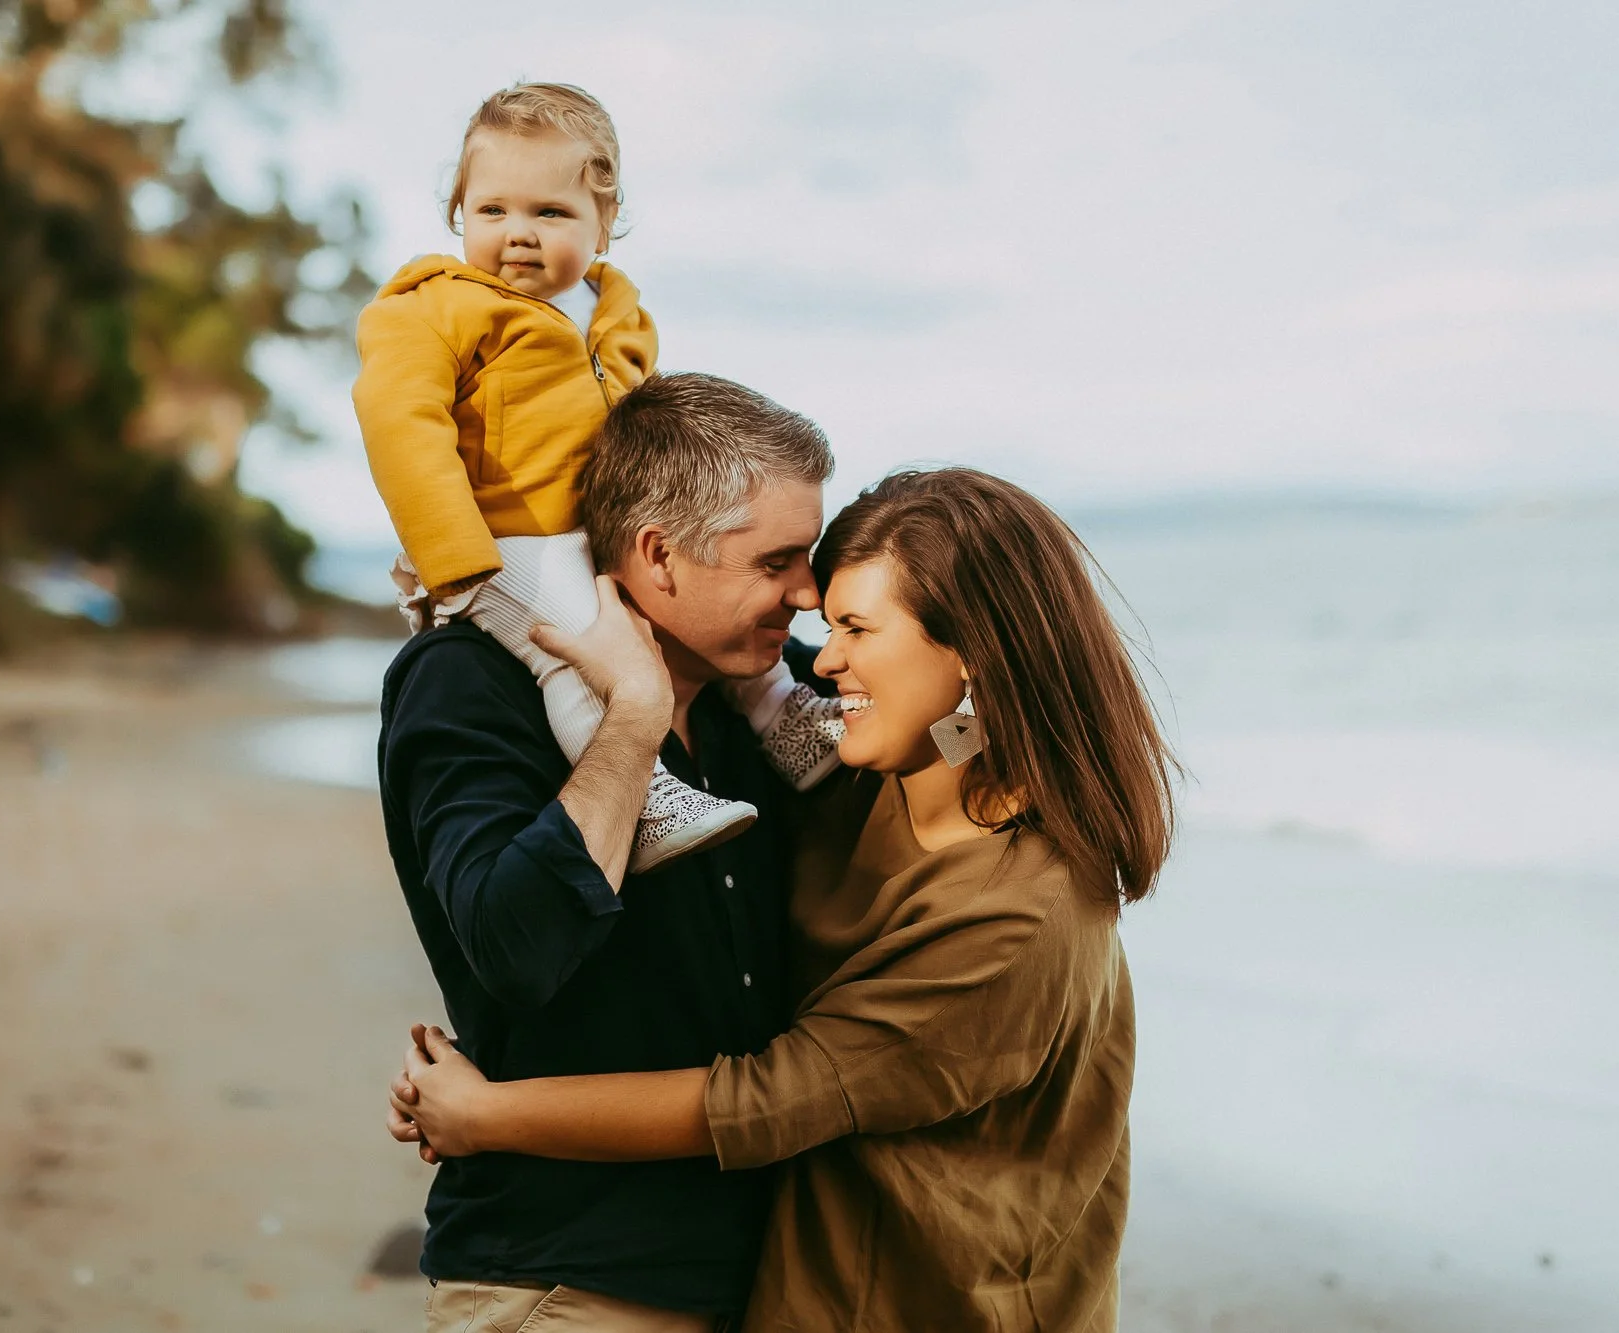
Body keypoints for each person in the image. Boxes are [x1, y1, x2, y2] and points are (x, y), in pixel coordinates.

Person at [390, 468, 1179, 1333]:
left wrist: (487, 1112)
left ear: (972, 652)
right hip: (770, 1284)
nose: (823, 652)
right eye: (824, 618)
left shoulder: (1020, 907)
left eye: (855, 626)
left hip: (939, 1301)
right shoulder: (853, 777)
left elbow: (769, 1098)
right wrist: (486, 578)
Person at [377, 371, 838, 1331]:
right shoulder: (468, 684)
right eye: (778, 562)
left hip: (774, 1276)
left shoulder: (772, 699)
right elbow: (518, 949)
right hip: (570, 1281)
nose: (809, 593)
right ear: (659, 554)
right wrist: (631, 724)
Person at [352, 81, 841, 872]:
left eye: (550, 213)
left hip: (595, 530)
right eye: (493, 211)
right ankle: (642, 797)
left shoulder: (616, 313)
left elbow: (658, 432)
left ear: (605, 224)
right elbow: (399, 420)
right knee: (579, 648)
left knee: (706, 627)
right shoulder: (432, 310)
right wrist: (451, 553)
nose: (518, 235)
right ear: (458, 213)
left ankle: (786, 721)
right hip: (504, 541)